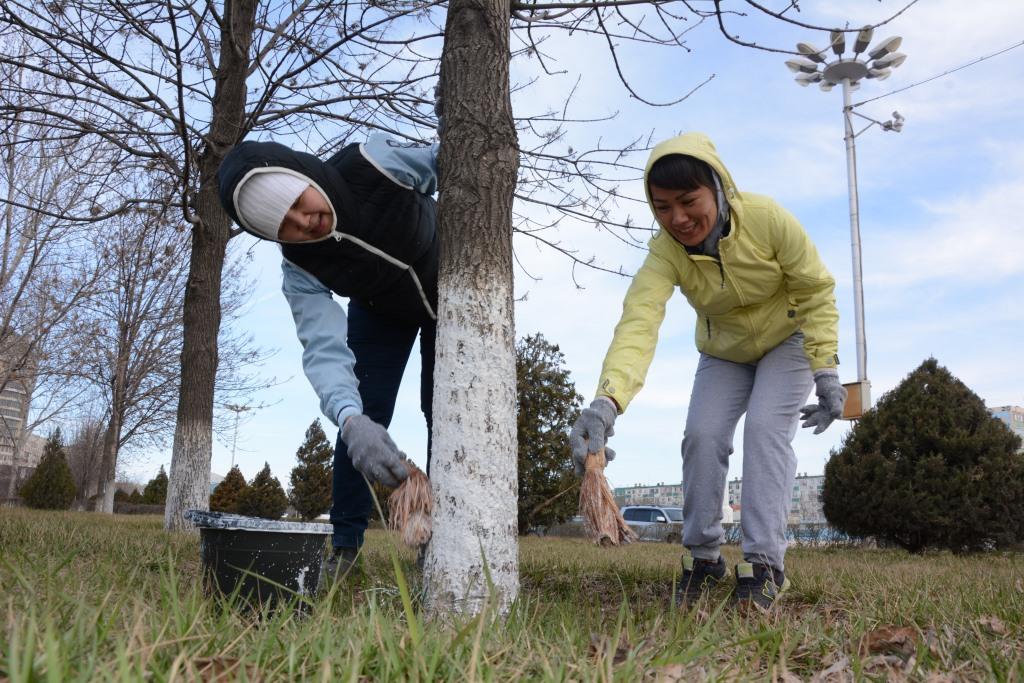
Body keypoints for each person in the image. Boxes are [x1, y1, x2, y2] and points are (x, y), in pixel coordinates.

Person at [569, 132, 846, 610]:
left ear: (717, 187)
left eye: (687, 201)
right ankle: (703, 558)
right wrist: (605, 404)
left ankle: (763, 564)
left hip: (789, 340)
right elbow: (639, 322)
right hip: (724, 352)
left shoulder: (767, 219)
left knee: (764, 430)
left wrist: (826, 371)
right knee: (702, 434)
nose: (677, 218)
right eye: (661, 207)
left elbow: (815, 289)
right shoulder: (665, 252)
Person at [217, 133, 439, 577]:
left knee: (445, 410)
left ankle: (437, 549)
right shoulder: (300, 268)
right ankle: (346, 548)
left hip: (453, 290)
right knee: (361, 412)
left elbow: (446, 163)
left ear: (303, 174)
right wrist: (350, 418)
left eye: (299, 201)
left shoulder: (374, 164)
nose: (305, 222)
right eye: (285, 226)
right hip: (381, 312)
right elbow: (323, 347)